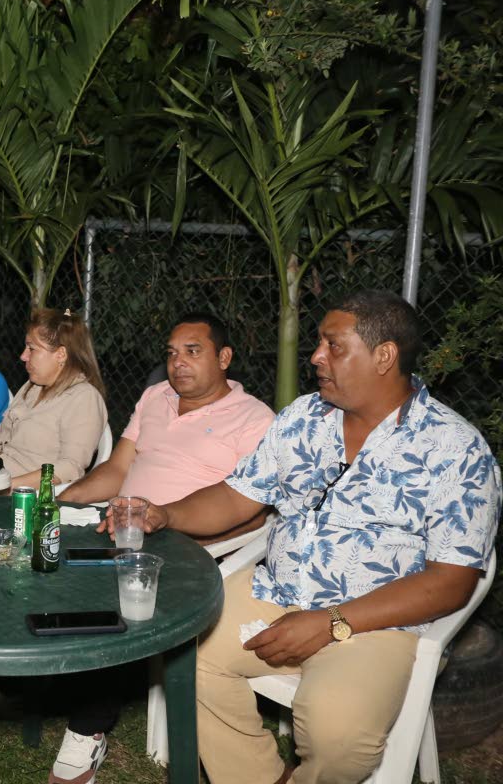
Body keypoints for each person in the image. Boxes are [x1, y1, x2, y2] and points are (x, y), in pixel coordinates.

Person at [132, 290, 500, 784]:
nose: (316, 356)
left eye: (333, 345)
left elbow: (451, 582)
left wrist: (331, 622)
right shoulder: (305, 417)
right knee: (184, 651)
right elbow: (238, 496)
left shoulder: (457, 450)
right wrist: (165, 513)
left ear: (384, 356)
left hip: (375, 622)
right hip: (274, 592)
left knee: (337, 737)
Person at [42, 313, 275, 784]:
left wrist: (175, 527)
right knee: (40, 556)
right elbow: (118, 468)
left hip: (196, 545)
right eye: (171, 353)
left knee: (107, 605)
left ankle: (88, 728)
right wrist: (63, 499)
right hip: (121, 526)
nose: (178, 363)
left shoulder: (256, 419)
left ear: (224, 358)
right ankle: (7, 677)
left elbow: (254, 509)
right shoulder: (154, 398)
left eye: (193, 351)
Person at [0, 309, 107, 490]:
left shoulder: (83, 398)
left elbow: (70, 467)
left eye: (31, 348)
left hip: (25, 495)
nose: (23, 356)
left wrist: (5, 488)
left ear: (61, 354)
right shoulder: (33, 386)